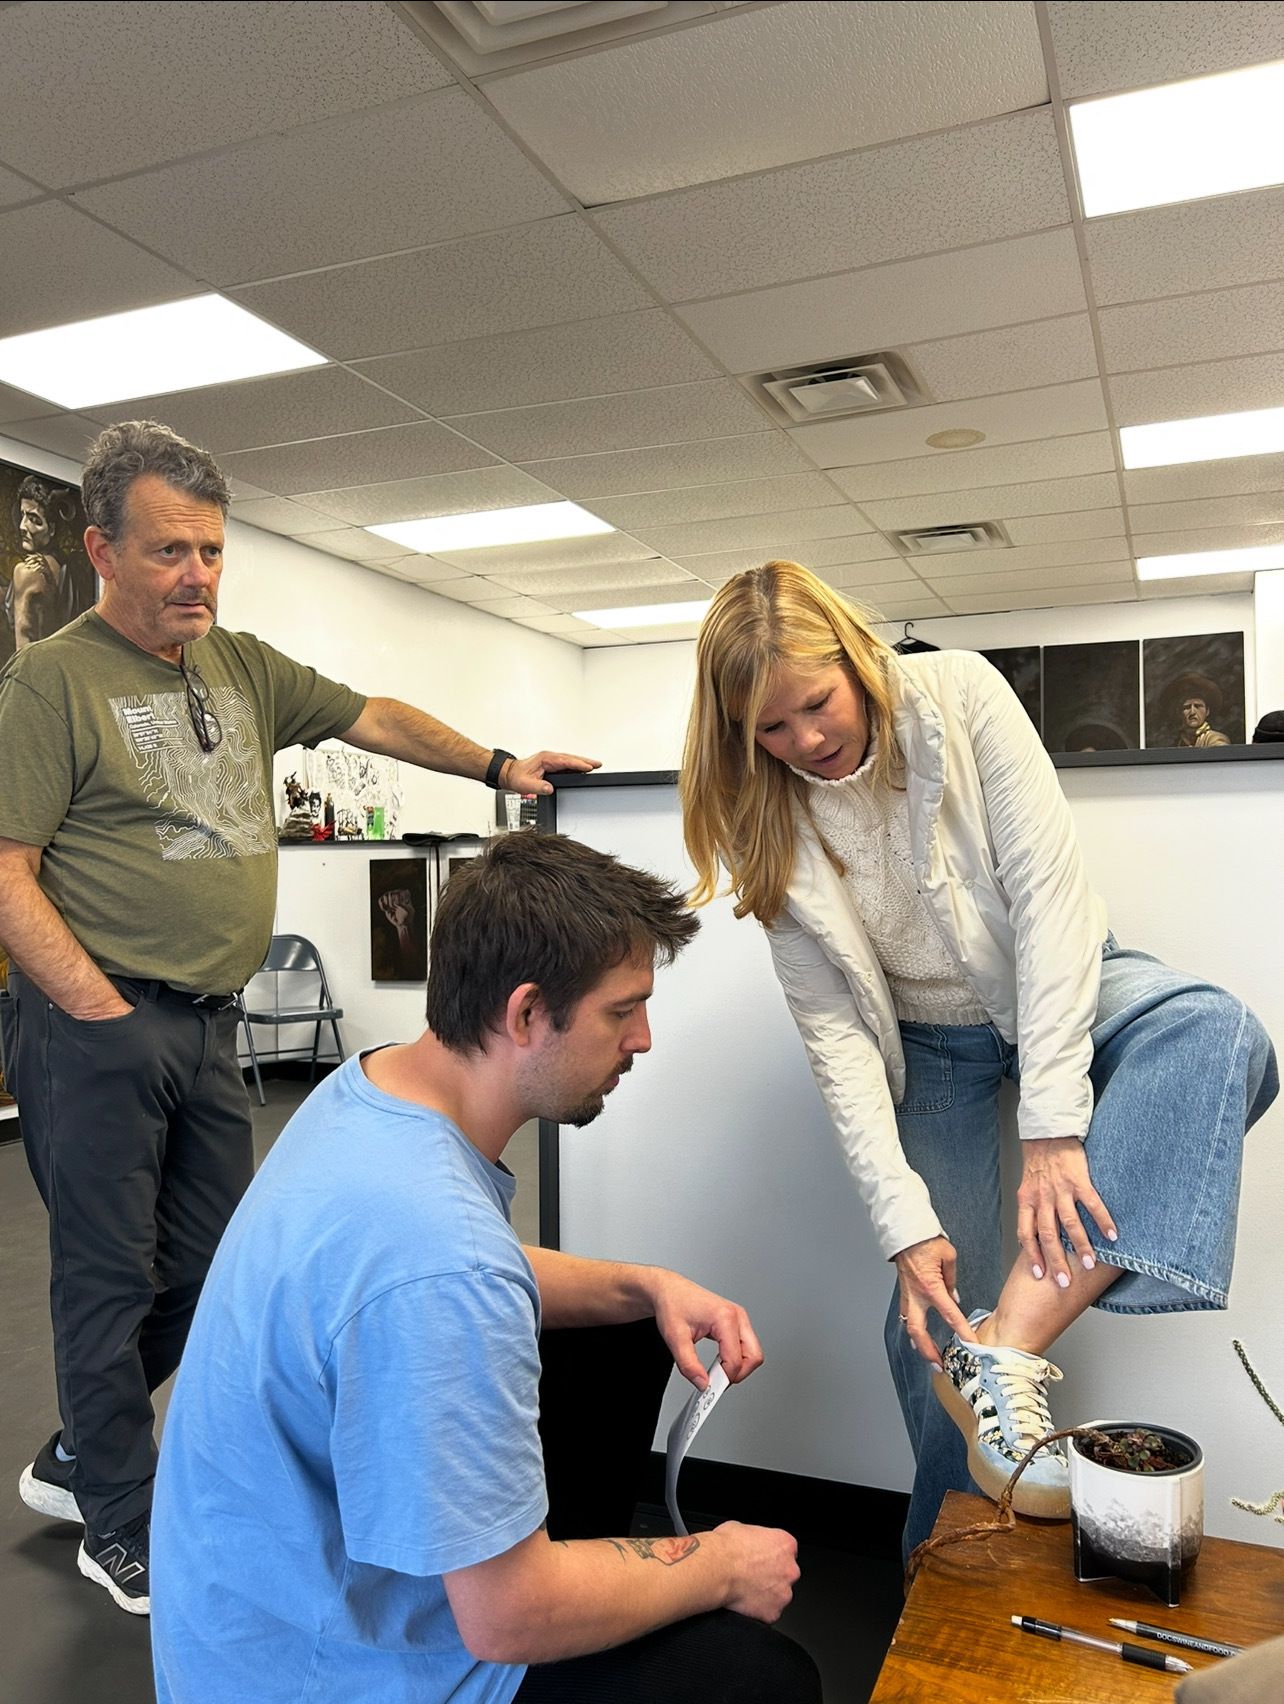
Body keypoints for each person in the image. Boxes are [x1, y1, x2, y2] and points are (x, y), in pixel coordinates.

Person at [0, 419, 599, 1614]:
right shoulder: (50, 683)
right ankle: (116, 1516)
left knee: (222, 1263)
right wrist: (100, 1011)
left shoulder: (238, 666)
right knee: (107, 1281)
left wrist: (497, 767)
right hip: (97, 1027)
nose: (198, 576)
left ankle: (76, 1449)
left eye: (212, 550)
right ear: (101, 550)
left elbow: (372, 716)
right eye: (170, 551)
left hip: (207, 1024)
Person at [680, 559, 1277, 1556]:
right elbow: (835, 1036)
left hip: (1061, 982)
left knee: (1217, 1032)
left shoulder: (960, 695)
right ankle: (944, 1569)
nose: (806, 742)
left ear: (856, 658)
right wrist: (904, 1229)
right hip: (927, 1045)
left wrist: (1055, 1126)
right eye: (769, 729)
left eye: (816, 705)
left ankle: (1004, 1348)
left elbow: (1048, 905)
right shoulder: (764, 814)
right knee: (928, 1312)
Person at [150, 831, 820, 1704]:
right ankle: (554, 1581)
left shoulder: (369, 1093)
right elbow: (506, 1620)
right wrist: (720, 1564)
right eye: (622, 1012)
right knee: (768, 1680)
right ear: (527, 1014)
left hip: (247, 1613)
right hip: (315, 1676)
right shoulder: (440, 1255)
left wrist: (645, 1287)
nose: (644, 1039)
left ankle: (552, 1564)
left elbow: (464, 1273)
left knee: (621, 1327)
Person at [4, 473, 94, 655]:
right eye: (22, 515)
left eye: (33, 519)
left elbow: (23, 639)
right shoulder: (69, 568)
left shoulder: (27, 571)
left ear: (52, 528)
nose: (22, 526)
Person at [1163, 672, 1232, 748]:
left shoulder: (1215, 739)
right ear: (1179, 712)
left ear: (1207, 711)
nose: (1192, 712)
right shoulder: (1177, 743)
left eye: (1198, 706)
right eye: (1187, 707)